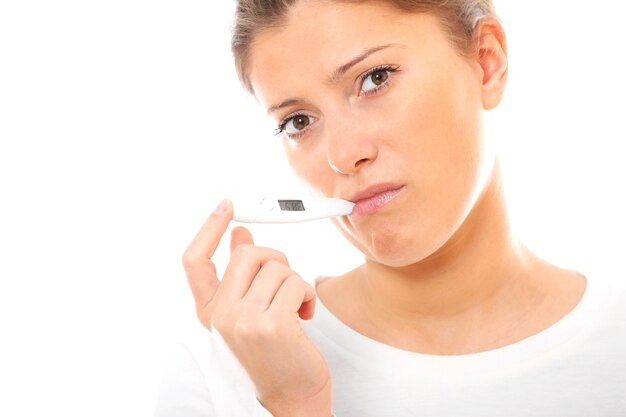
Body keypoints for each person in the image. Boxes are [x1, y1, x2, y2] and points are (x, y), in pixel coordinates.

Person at [155, 1, 626, 416]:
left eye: (374, 79)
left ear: (486, 62)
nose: (342, 154)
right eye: (299, 121)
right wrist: (294, 405)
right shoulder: (227, 371)